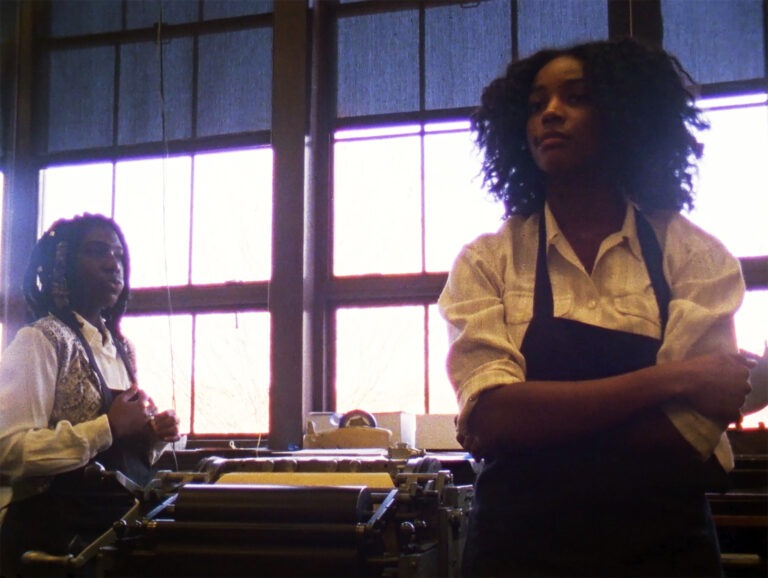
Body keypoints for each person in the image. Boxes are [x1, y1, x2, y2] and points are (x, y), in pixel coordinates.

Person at [438, 38, 757, 577]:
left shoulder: (694, 255)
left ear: (626, 116)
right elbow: (494, 420)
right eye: (537, 105)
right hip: (518, 556)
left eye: (576, 97)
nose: (551, 114)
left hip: (662, 556)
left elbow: (681, 443)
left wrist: (534, 425)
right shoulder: (488, 261)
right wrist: (673, 380)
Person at [0, 213, 180, 576]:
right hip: (51, 546)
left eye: (118, 255)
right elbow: (8, 451)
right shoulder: (40, 340)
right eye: (98, 252)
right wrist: (107, 428)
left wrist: (151, 436)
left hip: (112, 536)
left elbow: (121, 451)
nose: (114, 265)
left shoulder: (122, 348)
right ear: (62, 264)